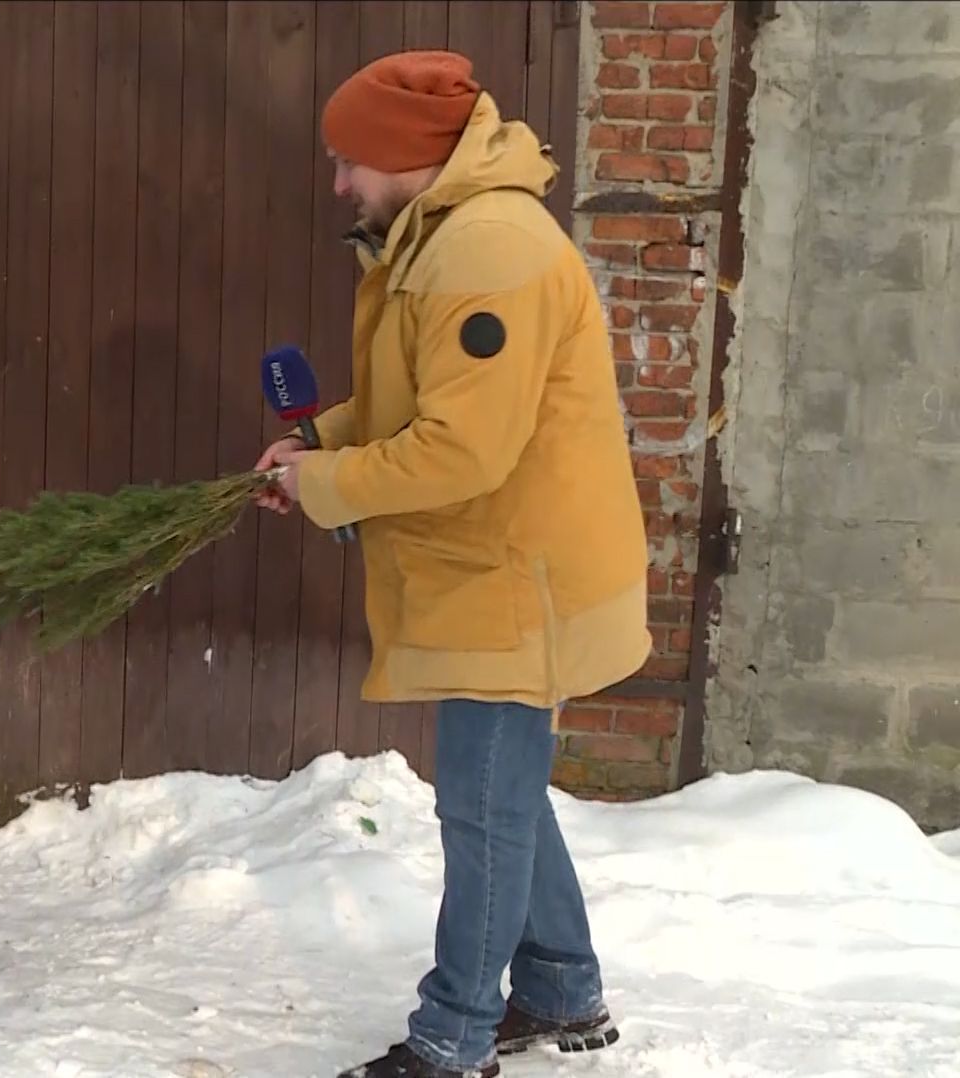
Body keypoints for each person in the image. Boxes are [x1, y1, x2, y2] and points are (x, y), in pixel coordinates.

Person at [254, 50, 651, 1078]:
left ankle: (454, 1035)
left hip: (515, 580)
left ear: (406, 157)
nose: (338, 183)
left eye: (350, 162)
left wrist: (328, 486)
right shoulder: (445, 235)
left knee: (481, 807)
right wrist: (325, 445)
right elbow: (423, 403)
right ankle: (563, 987)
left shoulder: (487, 254)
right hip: (500, 568)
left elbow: (464, 450)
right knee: (502, 791)